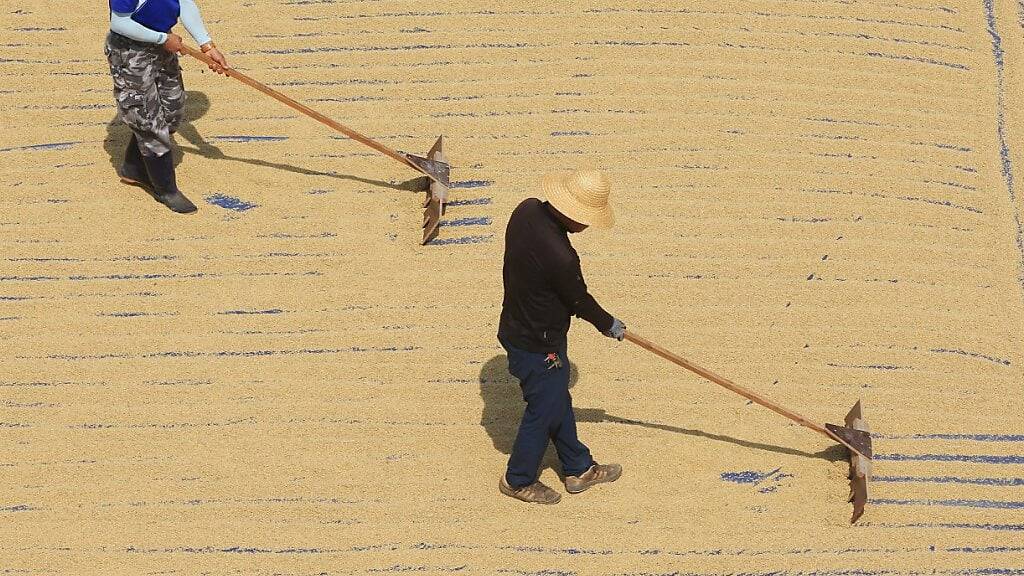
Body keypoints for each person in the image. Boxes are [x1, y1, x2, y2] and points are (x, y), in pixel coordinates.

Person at [497, 169, 627, 504]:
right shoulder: (562, 257)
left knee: (556, 400)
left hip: (516, 326)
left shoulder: (525, 210)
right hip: (538, 344)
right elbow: (579, 301)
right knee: (544, 409)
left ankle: (578, 467)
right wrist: (608, 324)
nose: (587, 226)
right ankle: (518, 479)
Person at [105, 0, 229, 213]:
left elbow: (184, 3)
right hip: (129, 52)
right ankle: (166, 189)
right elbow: (120, 23)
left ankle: (134, 168)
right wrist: (162, 38)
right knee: (147, 119)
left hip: (164, 46)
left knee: (173, 110)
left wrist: (207, 45)